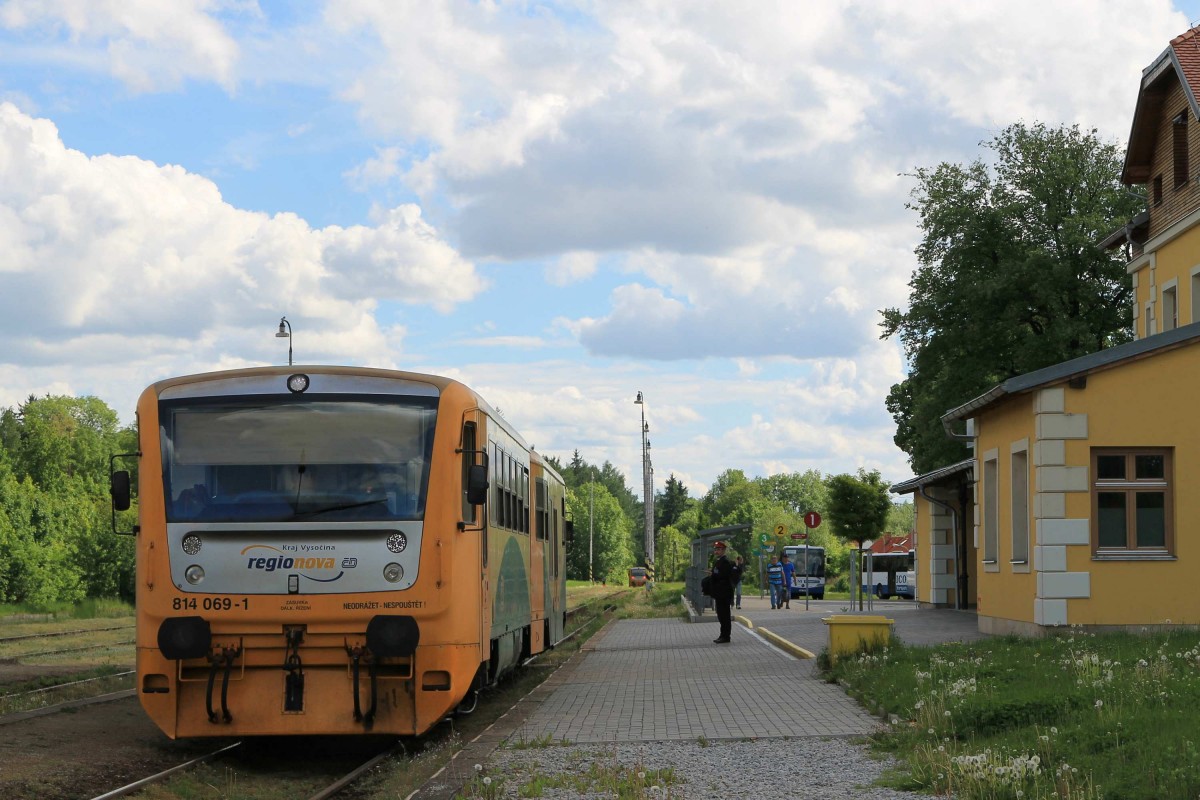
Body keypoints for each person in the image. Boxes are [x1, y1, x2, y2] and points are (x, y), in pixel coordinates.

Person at [709, 541, 738, 643]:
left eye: (718, 549)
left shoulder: (725, 562)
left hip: (724, 592)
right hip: (720, 592)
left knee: (724, 615)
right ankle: (723, 635)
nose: (716, 551)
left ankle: (725, 636)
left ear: (723, 550)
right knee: (721, 615)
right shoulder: (718, 561)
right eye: (715, 549)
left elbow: (723, 576)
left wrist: (713, 575)